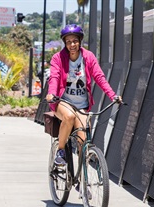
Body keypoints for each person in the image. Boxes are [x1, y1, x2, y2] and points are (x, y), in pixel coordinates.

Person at [46, 24, 122, 166]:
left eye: (75, 41)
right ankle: (61, 151)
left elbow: (99, 77)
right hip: (62, 102)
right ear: (65, 43)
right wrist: (51, 94)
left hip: (82, 105)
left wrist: (113, 95)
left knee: (83, 142)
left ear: (80, 41)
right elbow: (54, 78)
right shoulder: (58, 58)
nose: (72, 44)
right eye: (68, 42)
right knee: (69, 117)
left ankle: (82, 178)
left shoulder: (88, 57)